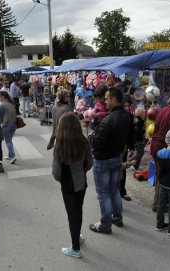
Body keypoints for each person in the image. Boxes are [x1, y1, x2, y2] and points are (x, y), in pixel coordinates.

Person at [89, 87, 132, 234]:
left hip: (104, 160)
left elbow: (97, 143)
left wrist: (93, 137)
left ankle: (105, 224)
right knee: (114, 189)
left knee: (104, 193)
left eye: (107, 99)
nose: (104, 101)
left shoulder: (109, 119)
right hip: (116, 157)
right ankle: (117, 217)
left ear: (114, 99)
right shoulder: (127, 116)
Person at [52, 112, 92, 258]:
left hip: (67, 185)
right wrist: (81, 172)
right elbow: (90, 163)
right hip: (81, 183)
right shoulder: (84, 141)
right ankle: (78, 237)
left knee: (72, 215)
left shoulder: (60, 144)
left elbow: (56, 172)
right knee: (78, 211)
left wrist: (60, 178)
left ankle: (75, 248)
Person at [0, 91, 17, 164]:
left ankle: (13, 156)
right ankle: (10, 155)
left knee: (8, 141)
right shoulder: (11, 103)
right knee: (10, 140)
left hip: (7, 125)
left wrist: (0, 124)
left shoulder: (3, 105)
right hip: (14, 124)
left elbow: (0, 116)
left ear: (3, 96)